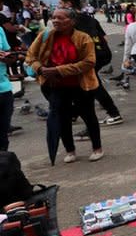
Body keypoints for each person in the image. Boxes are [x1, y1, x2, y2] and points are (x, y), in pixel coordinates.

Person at [24, 8, 105, 163]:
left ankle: (97, 148)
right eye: (54, 18)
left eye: (61, 18)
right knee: (61, 117)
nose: (55, 21)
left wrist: (58, 70)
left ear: (72, 21)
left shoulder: (83, 38)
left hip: (80, 84)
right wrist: (41, 69)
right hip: (54, 85)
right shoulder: (45, 36)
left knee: (88, 115)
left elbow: (89, 62)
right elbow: (30, 57)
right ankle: (70, 150)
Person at [57, 0, 123, 127]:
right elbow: (104, 38)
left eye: (61, 3)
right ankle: (74, 114)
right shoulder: (90, 18)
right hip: (100, 55)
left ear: (68, 4)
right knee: (83, 86)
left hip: (85, 57)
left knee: (93, 85)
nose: (59, 6)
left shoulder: (70, 21)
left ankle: (114, 113)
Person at [0, 20, 15, 151]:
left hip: (4, 89)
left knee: (3, 136)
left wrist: (6, 57)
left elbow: (11, 58)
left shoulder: (0, 30)